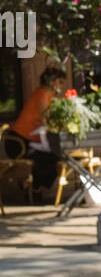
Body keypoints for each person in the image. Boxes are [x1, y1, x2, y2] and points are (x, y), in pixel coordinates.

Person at [3, 65, 65, 193]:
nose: (61, 85)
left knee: (54, 156)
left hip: (30, 141)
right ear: (52, 82)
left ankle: (33, 186)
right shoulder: (43, 93)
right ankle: (32, 187)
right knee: (50, 157)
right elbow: (45, 118)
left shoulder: (50, 95)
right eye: (60, 82)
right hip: (19, 142)